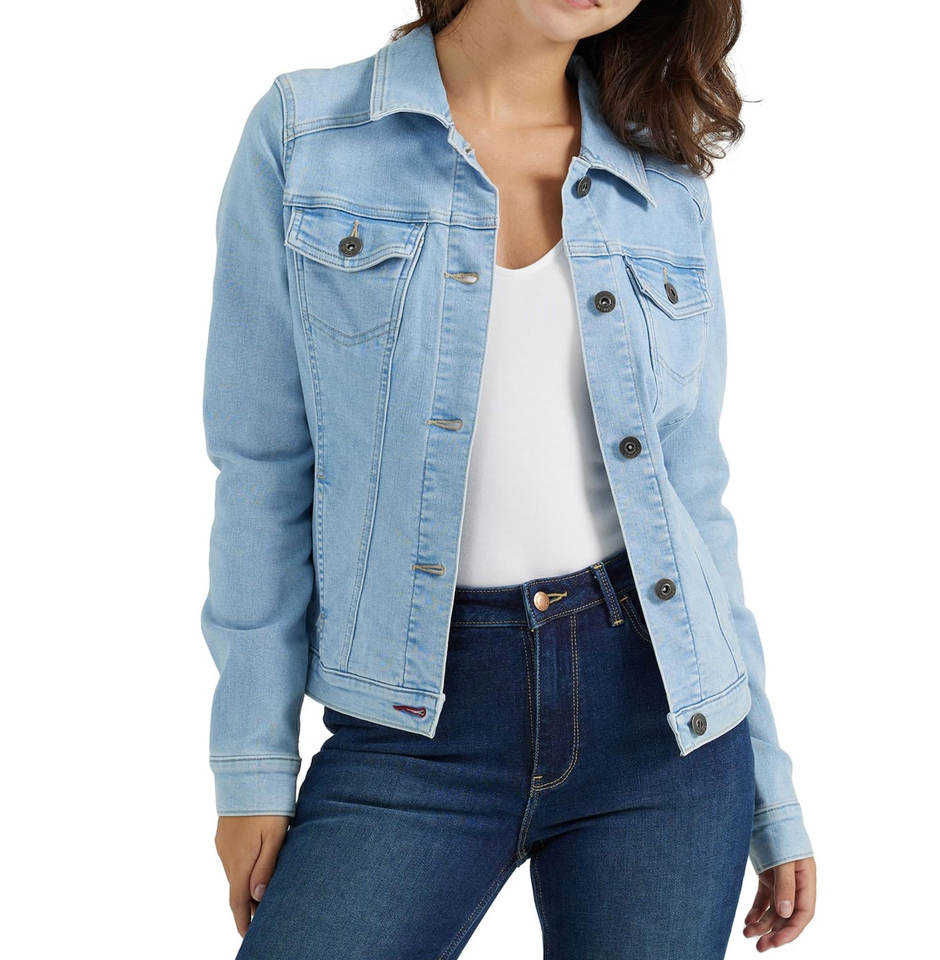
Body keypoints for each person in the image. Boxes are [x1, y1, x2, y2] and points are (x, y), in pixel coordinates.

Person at [202, 2, 817, 956]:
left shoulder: (661, 175)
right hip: (411, 725)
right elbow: (262, 467)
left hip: (663, 729)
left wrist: (772, 791)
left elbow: (692, 496)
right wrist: (252, 761)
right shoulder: (309, 136)